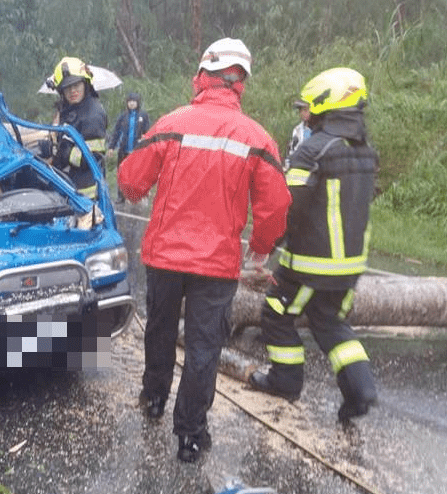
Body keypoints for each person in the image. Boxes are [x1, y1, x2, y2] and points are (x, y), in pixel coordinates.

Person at [118, 38, 290, 462]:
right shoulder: (257, 138)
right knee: (203, 347)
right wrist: (260, 251)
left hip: (164, 256)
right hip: (216, 264)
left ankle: (153, 398)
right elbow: (276, 207)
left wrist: (141, 192)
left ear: (202, 76)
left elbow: (130, 181)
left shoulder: (171, 123)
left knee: (159, 330)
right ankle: (190, 435)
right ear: (240, 83)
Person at [248, 67, 379, 423]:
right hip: (350, 264)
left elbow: (288, 206)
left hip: (309, 262)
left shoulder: (312, 151)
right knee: (330, 322)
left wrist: (265, 247)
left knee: (275, 315)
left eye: (307, 108)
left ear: (327, 104)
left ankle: (285, 381)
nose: (304, 114)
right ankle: (360, 390)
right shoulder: (365, 152)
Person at [46, 56, 108, 197]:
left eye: (76, 85)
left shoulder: (93, 114)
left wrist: (65, 152)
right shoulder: (71, 109)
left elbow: (91, 157)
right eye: (66, 87)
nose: (72, 91)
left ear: (85, 83)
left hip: (86, 195)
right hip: (71, 186)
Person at [107, 92, 151, 203]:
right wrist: (111, 147)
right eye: (129, 101)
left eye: (134, 101)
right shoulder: (123, 116)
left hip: (137, 150)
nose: (131, 103)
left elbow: (147, 132)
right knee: (122, 173)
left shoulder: (143, 116)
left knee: (137, 174)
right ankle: (121, 196)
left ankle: (137, 195)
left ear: (138, 103)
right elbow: (116, 133)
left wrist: (146, 145)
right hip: (123, 150)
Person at [287, 98, 311, 168]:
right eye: (300, 110)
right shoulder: (297, 130)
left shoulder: (319, 129)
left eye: (305, 110)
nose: (302, 113)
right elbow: (292, 151)